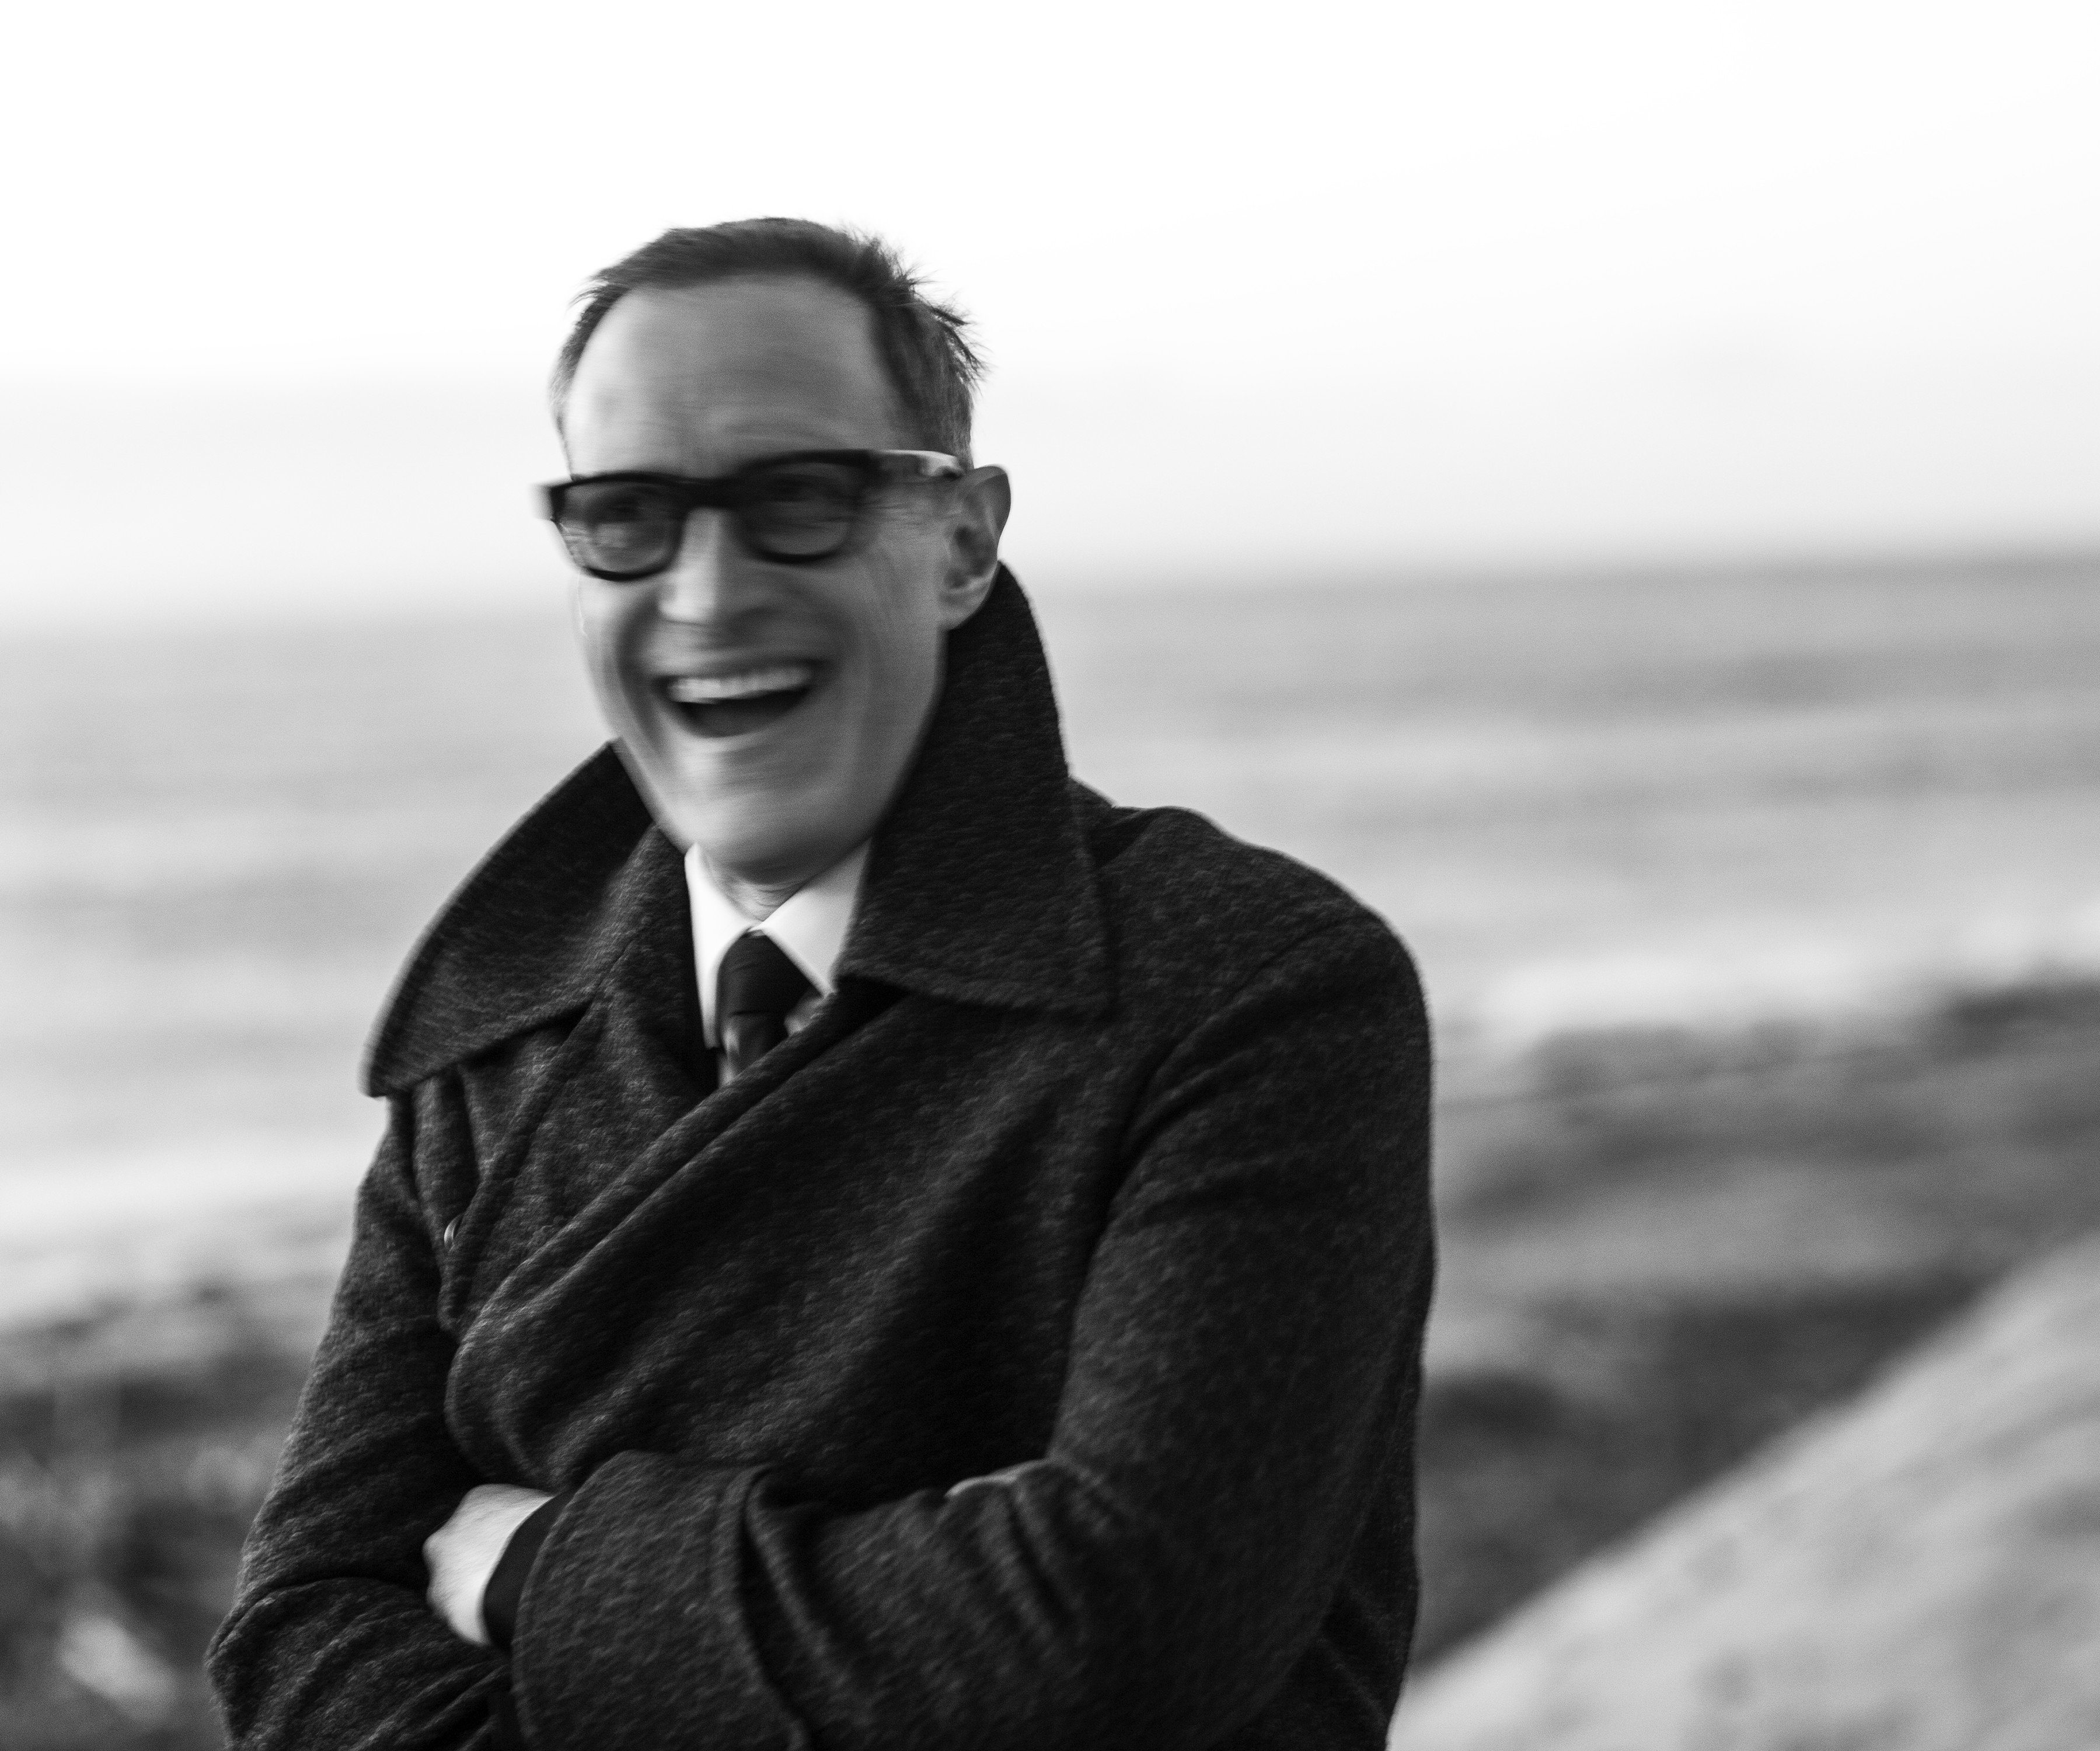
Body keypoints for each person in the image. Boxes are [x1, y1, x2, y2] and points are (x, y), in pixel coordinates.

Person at [207, 218, 1436, 1750]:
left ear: (963, 541)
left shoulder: (1252, 992)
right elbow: (299, 1641)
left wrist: (539, 1562)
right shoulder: (492, 1041)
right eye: (626, 516)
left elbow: (1116, 1634)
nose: (707, 594)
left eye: (798, 499)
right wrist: (895, 1605)